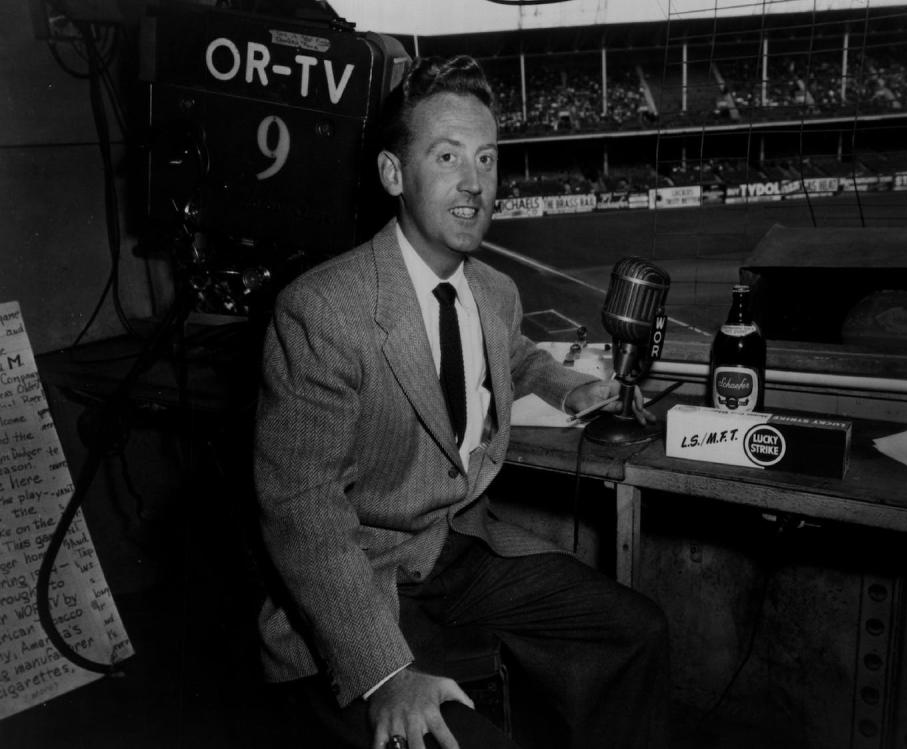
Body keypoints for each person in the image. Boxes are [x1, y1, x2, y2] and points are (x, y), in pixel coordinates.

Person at [253, 55, 670, 749]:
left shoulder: (495, 291)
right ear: (393, 174)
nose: (475, 183)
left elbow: (512, 355)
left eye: (487, 158)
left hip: (453, 549)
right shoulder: (322, 309)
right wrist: (387, 674)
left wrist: (575, 388)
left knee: (636, 630)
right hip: (362, 575)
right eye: (447, 156)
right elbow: (302, 515)